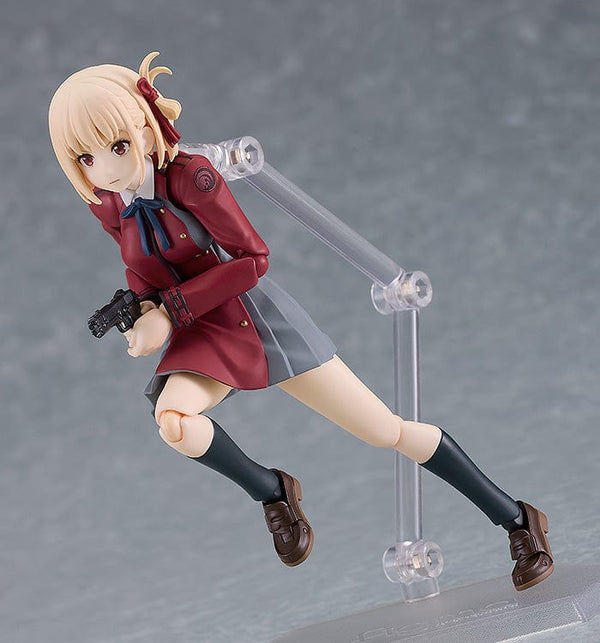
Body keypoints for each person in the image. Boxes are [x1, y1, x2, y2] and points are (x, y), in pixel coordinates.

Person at [48, 51, 553, 589]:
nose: (105, 169)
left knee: (383, 430)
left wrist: (168, 313)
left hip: (255, 319)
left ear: (145, 127)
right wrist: (143, 309)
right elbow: (140, 265)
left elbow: (253, 260)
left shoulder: (193, 177)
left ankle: (517, 519)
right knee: (173, 422)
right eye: (86, 158)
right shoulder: (109, 203)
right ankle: (273, 492)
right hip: (201, 331)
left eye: (117, 147)